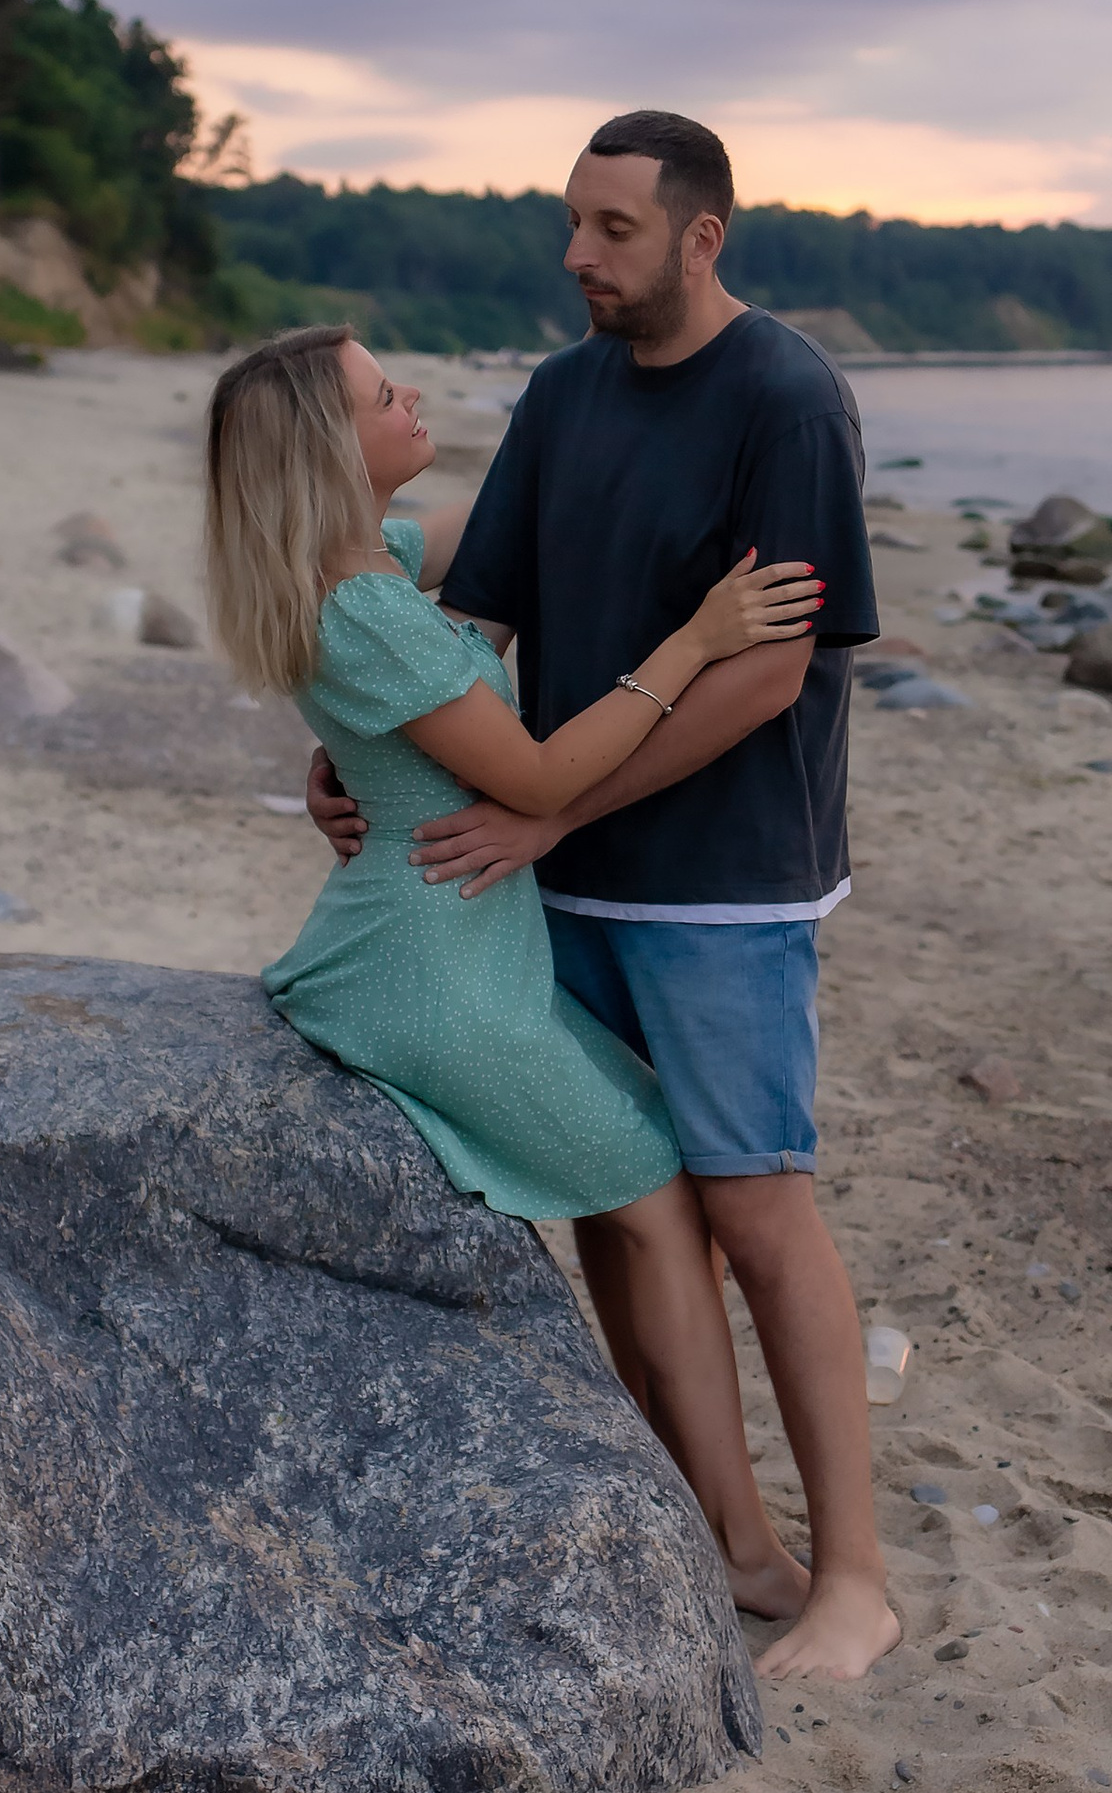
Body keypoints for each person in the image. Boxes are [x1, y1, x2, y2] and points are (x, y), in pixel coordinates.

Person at [306, 109, 901, 1687]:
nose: (580, 255)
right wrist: (376, 763)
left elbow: (770, 672)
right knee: (633, 1221)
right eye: (572, 224)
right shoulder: (563, 395)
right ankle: (714, 1532)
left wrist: (539, 805)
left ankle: (853, 1580)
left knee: (758, 1215)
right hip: (552, 882)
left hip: (722, 887)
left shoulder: (786, 395)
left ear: (703, 236)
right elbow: (475, 620)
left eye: (615, 230)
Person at [207, 319, 819, 1617]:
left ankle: (692, 1499)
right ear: (334, 447)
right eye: (385, 393)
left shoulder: (373, 563)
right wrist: (701, 637)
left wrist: (634, 395)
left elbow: (528, 491)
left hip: (452, 947)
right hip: (437, 977)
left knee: (645, 1195)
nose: (413, 392)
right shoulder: (367, 610)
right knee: (659, 1197)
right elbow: (538, 777)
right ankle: (741, 1550)